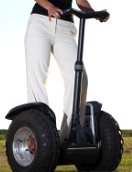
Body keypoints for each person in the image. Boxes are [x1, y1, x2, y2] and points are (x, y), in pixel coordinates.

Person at [25, 0, 109, 144]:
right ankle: (40, 134)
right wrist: (49, 6)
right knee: (38, 78)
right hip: (41, 22)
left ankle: (69, 136)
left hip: (66, 27)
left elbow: (80, 1)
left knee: (79, 77)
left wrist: (93, 12)